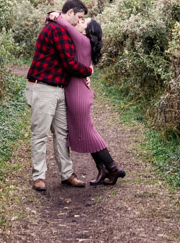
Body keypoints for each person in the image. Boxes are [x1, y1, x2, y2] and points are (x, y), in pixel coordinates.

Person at [50, 13, 127, 185]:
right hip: (78, 92)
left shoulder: (82, 40)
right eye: (80, 19)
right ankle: (104, 170)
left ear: (88, 31)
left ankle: (113, 167)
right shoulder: (83, 42)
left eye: (83, 21)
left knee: (88, 132)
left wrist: (55, 15)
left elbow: (67, 25)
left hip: (77, 95)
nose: (79, 21)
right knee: (86, 132)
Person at [25, 0, 93, 192]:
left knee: (62, 133)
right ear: (70, 13)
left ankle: (67, 174)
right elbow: (69, 63)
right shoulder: (57, 30)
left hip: (59, 88)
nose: (79, 21)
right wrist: (88, 71)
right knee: (40, 133)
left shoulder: (62, 28)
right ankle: (39, 177)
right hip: (44, 87)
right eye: (78, 17)